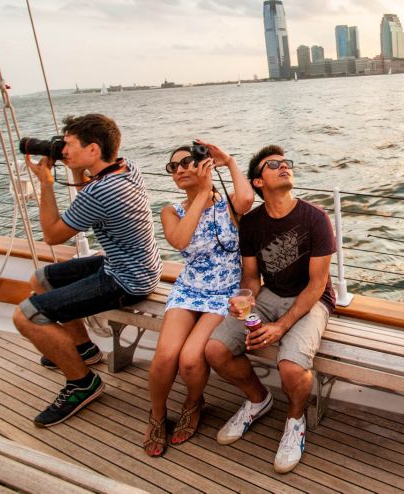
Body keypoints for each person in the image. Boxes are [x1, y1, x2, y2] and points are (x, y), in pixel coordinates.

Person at [14, 113, 162, 427]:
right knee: (41, 279)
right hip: (135, 263)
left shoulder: (103, 191)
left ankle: (83, 383)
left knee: (25, 314)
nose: (61, 150)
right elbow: (88, 199)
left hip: (127, 278)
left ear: (93, 150)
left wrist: (46, 184)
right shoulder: (125, 167)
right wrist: (77, 168)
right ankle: (83, 350)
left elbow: (53, 235)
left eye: (67, 145)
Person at [204, 145, 336, 474]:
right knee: (216, 350)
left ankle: (294, 420)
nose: (284, 167)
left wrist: (281, 327)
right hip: (270, 296)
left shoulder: (315, 218)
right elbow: (251, 277)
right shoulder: (251, 223)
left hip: (311, 299)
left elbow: (318, 284)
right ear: (258, 182)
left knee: (291, 368)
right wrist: (244, 299)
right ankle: (257, 399)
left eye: (286, 163)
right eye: (273, 164)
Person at [143, 140, 254, 457]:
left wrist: (228, 160)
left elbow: (247, 197)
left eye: (185, 162)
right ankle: (157, 414)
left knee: (191, 359)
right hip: (188, 289)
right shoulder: (171, 211)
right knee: (165, 356)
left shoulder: (229, 205)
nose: (178, 169)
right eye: (172, 167)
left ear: (203, 164)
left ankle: (193, 403)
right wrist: (202, 194)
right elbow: (180, 239)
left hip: (224, 291)